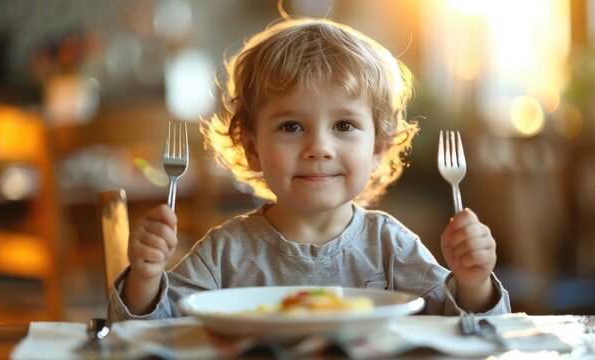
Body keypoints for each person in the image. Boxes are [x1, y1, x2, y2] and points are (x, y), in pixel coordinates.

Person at [109, 17, 510, 321]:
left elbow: (467, 326)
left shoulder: (392, 247)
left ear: (377, 148)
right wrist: (145, 276)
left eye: (344, 126)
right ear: (252, 149)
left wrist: (473, 281)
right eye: (291, 126)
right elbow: (154, 331)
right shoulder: (224, 254)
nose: (319, 148)